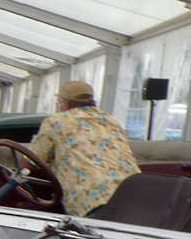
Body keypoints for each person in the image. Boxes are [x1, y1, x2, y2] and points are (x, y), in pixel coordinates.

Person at [30, 81, 140, 217]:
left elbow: (32, 159)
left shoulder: (55, 121)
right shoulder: (111, 120)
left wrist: (18, 172)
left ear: (64, 103)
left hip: (91, 201)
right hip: (133, 194)